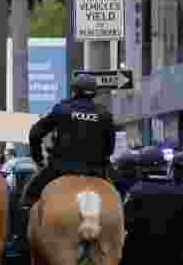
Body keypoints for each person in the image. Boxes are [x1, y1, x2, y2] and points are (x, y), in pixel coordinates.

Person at [21, 73, 115, 207]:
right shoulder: (104, 114)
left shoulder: (62, 109)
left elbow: (35, 133)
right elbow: (110, 147)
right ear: (94, 92)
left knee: (29, 197)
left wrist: (38, 159)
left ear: (74, 90)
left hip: (60, 169)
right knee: (120, 195)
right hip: (96, 171)